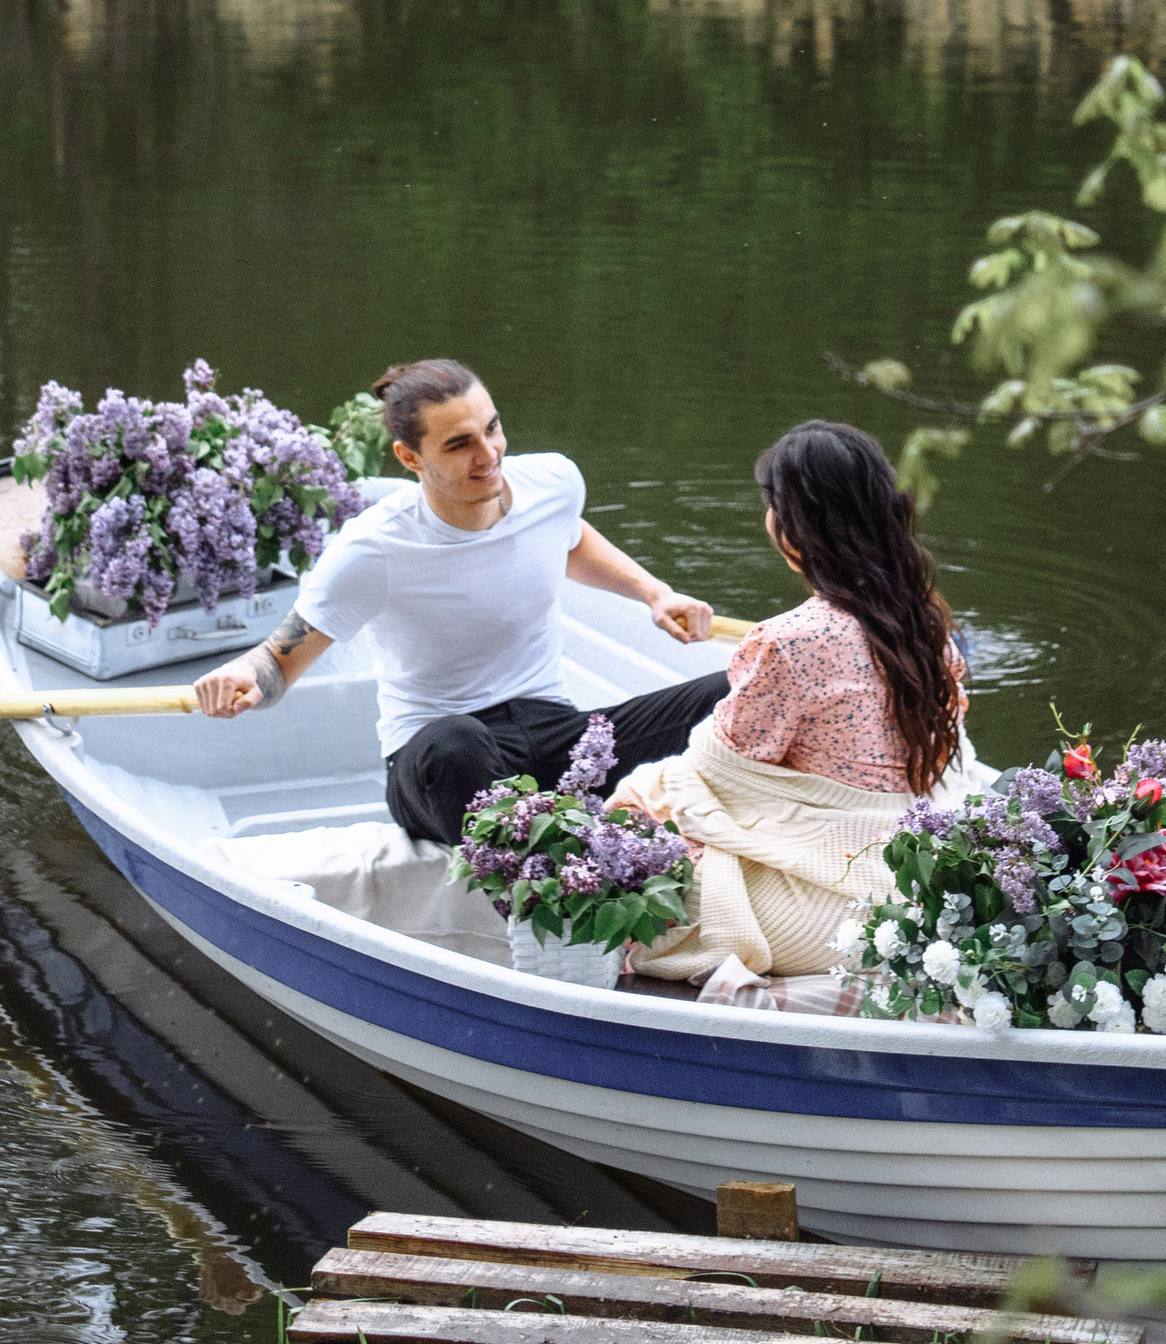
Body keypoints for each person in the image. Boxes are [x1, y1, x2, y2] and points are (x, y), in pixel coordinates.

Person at [190, 358, 726, 849]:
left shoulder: (553, 483)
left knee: (737, 689)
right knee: (456, 743)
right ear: (410, 457)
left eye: (492, 428)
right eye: (459, 444)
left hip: (554, 736)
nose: (488, 455)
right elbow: (278, 660)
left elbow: (569, 537)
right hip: (438, 763)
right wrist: (242, 676)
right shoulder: (372, 548)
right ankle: (546, 884)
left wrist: (654, 592)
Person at [624, 418, 973, 1002]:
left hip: (816, 920)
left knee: (644, 798)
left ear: (793, 531)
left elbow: (716, 771)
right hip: (912, 897)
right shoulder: (932, 630)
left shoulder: (790, 640)